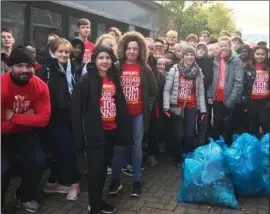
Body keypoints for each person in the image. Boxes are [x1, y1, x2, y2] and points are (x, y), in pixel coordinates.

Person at [71, 44, 133, 214]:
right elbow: (77, 109)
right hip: (94, 134)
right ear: (95, 60)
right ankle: (94, 207)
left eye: (107, 58)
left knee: (104, 168)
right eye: (101, 58)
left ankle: (97, 201)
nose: (105, 61)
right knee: (95, 170)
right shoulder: (86, 80)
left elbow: (119, 104)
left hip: (111, 131)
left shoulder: (114, 78)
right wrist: (78, 137)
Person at [1, 46, 51, 212]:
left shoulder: (40, 86)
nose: (25, 70)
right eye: (19, 65)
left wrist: (13, 117)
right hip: (3, 134)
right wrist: (29, 117)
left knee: (38, 162)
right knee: (3, 168)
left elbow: (43, 120)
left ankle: (24, 195)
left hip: (25, 132)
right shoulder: (1, 86)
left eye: (29, 66)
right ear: (11, 67)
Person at [108, 31, 157, 197]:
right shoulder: (116, 66)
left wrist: (146, 108)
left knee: (136, 147)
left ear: (140, 50)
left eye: (135, 49)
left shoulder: (145, 68)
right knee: (119, 148)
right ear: (124, 48)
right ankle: (115, 180)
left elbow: (153, 90)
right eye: (129, 48)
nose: (131, 51)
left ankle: (137, 181)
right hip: (120, 116)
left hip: (138, 115)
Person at [36, 38, 80, 201]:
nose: (63, 54)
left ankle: (52, 182)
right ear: (53, 52)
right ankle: (74, 182)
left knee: (61, 151)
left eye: (66, 52)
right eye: (60, 51)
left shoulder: (74, 68)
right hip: (54, 118)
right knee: (67, 150)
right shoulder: (45, 71)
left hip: (71, 117)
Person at [163, 45, 206, 163]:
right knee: (179, 135)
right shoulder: (175, 70)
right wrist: (166, 107)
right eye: (187, 54)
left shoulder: (198, 72)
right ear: (183, 56)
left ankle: (187, 156)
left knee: (189, 135)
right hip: (177, 106)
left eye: (192, 54)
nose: (189, 57)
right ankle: (176, 156)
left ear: (194, 56)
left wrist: (203, 110)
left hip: (192, 106)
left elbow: (201, 92)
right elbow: (167, 89)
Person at [207, 36, 244, 146]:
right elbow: (212, 79)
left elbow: (239, 82)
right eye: (221, 46)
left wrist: (231, 100)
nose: (223, 48)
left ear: (230, 46)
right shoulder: (216, 60)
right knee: (217, 123)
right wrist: (210, 94)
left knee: (228, 124)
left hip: (228, 98)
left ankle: (228, 147)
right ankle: (217, 148)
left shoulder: (236, 61)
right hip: (216, 97)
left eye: (225, 46)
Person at [233, 44, 255, 133]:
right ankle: (237, 134)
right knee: (236, 115)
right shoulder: (235, 62)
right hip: (237, 94)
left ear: (249, 52)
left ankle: (247, 133)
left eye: (246, 51)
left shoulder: (252, 63)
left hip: (249, 94)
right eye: (242, 51)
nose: (243, 53)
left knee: (247, 117)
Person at [248, 46, 269, 137]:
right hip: (251, 100)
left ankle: (266, 143)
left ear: (266, 55)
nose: (260, 56)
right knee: (253, 123)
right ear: (254, 55)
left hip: (265, 100)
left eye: (262, 54)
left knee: (265, 122)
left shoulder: (268, 67)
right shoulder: (248, 66)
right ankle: (255, 143)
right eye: (257, 54)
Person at [195, 42, 214, 144]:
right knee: (192, 121)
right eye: (199, 48)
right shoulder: (191, 60)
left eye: (203, 49)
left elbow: (211, 79)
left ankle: (202, 143)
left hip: (205, 95)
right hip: (192, 96)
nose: (201, 50)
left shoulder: (209, 62)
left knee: (203, 120)